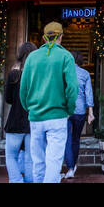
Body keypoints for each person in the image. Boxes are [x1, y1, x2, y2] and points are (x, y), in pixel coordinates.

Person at [20, 21, 79, 184]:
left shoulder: (32, 57)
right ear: (61, 36)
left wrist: (29, 108)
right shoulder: (66, 56)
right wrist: (69, 109)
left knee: (38, 161)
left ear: (44, 38)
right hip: (57, 115)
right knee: (53, 161)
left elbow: (23, 89)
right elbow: (73, 88)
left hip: (36, 116)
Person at [3, 41, 35, 183]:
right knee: (30, 158)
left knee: (11, 156)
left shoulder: (13, 74)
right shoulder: (36, 75)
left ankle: (16, 181)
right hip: (32, 121)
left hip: (14, 120)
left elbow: (8, 99)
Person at [64, 50, 94, 180]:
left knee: (66, 139)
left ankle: (70, 167)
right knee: (76, 139)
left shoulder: (64, 72)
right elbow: (89, 94)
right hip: (80, 111)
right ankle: (73, 165)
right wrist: (90, 113)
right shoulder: (85, 73)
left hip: (65, 110)